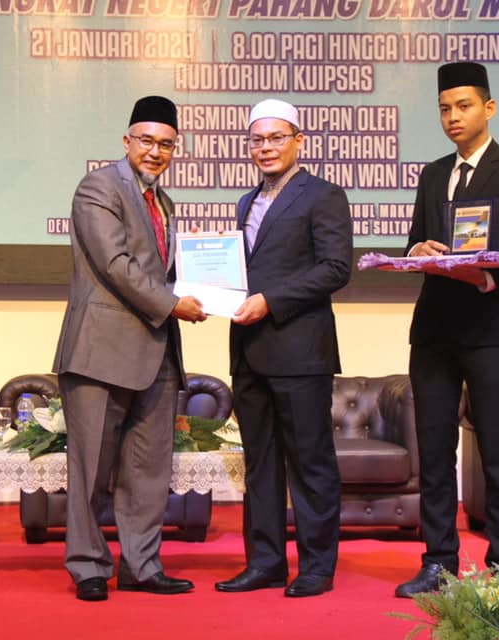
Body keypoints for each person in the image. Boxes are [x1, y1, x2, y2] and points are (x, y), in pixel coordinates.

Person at [394, 62, 499, 597]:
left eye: (463, 106)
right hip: (433, 332)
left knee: (498, 451)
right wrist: (417, 249)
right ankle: (438, 563)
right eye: (444, 108)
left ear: (489, 108)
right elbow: (417, 243)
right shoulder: (432, 174)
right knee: (434, 452)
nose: (452, 117)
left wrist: (490, 276)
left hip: (491, 329)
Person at [53, 95, 207, 602]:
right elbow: (115, 264)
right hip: (100, 353)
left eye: (166, 144)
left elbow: (160, 270)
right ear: (126, 140)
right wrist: (174, 303)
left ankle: (141, 565)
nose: (155, 151)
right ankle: (88, 566)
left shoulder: (165, 202)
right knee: (91, 471)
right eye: (146, 140)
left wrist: (203, 275)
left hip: (157, 351)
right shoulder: (99, 187)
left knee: (148, 470)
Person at [215, 99, 352, 598]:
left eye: (276, 138)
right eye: (257, 140)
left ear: (299, 140)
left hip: (300, 352)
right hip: (249, 351)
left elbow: (336, 268)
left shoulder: (323, 195)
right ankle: (265, 562)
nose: (266, 148)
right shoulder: (245, 201)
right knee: (260, 463)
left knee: (311, 463)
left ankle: (316, 567)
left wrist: (270, 301)